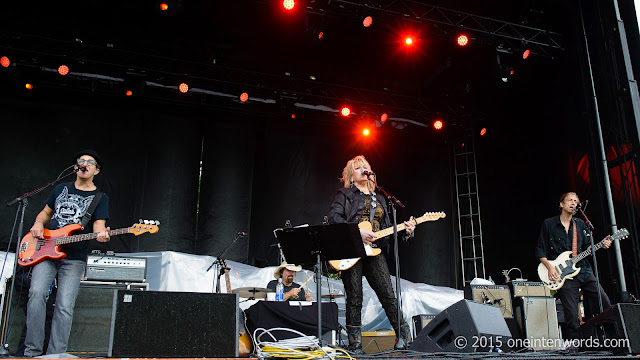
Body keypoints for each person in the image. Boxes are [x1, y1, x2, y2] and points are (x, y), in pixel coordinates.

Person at [24, 150, 110, 356]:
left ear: (96, 170)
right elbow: (45, 212)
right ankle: (32, 352)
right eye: (81, 161)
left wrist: (102, 235)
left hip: (74, 258)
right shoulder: (61, 188)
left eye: (90, 162)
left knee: (64, 306)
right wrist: (37, 223)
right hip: (44, 250)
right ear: (75, 167)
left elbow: (99, 226)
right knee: (36, 295)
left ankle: (56, 354)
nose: (85, 164)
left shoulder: (100, 197)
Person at [327, 155, 415, 353]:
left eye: (365, 167)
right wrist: (357, 232)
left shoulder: (382, 199)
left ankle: (405, 338)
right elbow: (334, 218)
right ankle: (355, 344)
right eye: (358, 168)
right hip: (351, 250)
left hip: (375, 252)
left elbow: (386, 230)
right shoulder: (345, 194)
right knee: (354, 297)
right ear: (351, 176)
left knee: (388, 295)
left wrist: (405, 232)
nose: (363, 170)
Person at [535, 192, 612, 344]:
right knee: (571, 313)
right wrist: (550, 268)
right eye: (570, 200)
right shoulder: (549, 224)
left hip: (582, 270)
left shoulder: (581, 224)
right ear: (561, 204)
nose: (573, 203)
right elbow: (540, 250)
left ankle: (611, 338)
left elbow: (587, 248)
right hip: (562, 274)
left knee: (603, 300)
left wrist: (601, 245)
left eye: (576, 201)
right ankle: (575, 346)